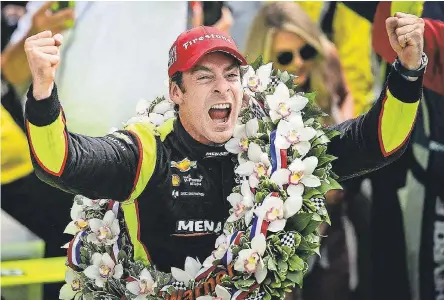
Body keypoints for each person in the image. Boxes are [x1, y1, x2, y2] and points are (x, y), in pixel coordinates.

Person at [23, 13, 425, 284]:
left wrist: (407, 73)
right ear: (175, 92)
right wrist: (42, 94)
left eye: (231, 75)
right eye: (204, 76)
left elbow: (374, 144)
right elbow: (61, 162)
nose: (221, 87)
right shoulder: (145, 151)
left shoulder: (276, 147)